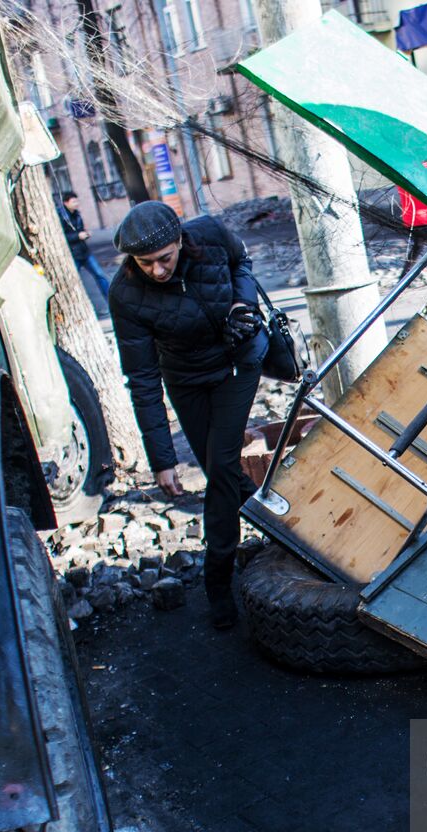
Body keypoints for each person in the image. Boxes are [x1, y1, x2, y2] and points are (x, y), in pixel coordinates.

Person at [108, 202, 268, 630]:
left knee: (219, 470)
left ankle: (216, 581)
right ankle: (284, 530)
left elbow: (242, 262)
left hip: (238, 363)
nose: (158, 271)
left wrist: (241, 306)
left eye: (165, 258)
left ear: (181, 240)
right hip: (187, 379)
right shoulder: (126, 294)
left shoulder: (212, 235)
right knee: (224, 471)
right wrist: (162, 459)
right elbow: (142, 379)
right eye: (146, 263)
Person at [59, 191, 111, 297]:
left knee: (100, 275)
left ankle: (110, 300)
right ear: (66, 203)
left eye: (77, 201)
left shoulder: (76, 214)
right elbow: (61, 236)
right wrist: (78, 236)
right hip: (73, 254)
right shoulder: (62, 217)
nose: (76, 203)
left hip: (84, 251)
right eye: (73, 201)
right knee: (73, 282)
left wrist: (85, 233)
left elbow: (80, 229)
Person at [397, 187, 427, 281]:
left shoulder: (403, 178)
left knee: (418, 247)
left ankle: (404, 276)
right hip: (424, 216)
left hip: (413, 216)